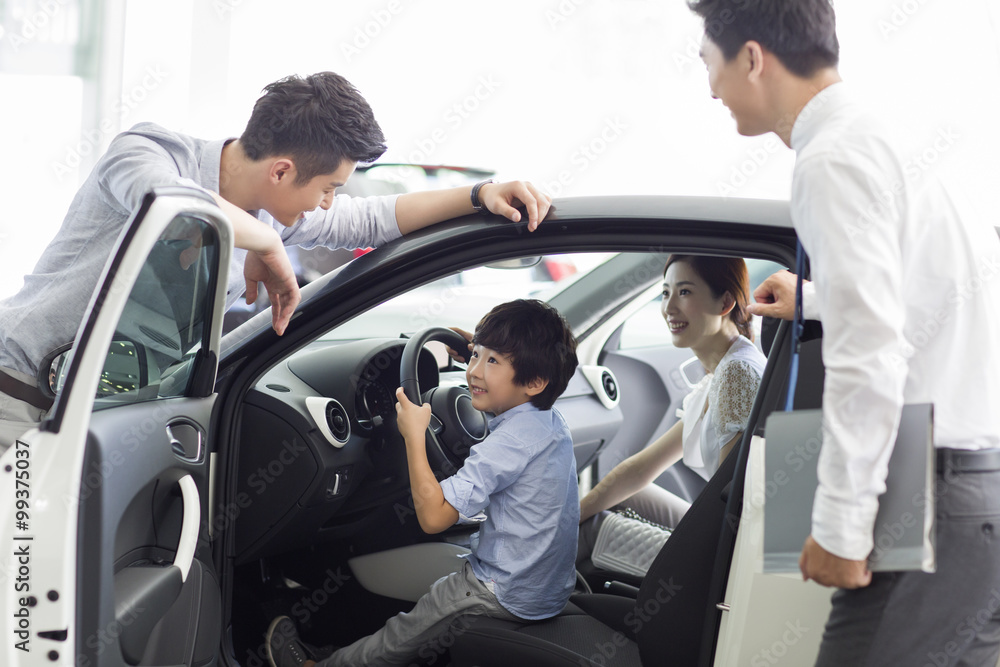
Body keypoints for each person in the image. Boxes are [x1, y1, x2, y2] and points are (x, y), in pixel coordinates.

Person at [0, 71, 551, 453]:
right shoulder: (148, 151)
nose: (330, 203)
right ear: (282, 170)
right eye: (330, 187)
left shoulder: (271, 212)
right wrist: (265, 241)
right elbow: (166, 207)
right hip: (16, 398)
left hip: (95, 418)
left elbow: (375, 219)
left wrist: (478, 195)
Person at [687, 1, 1000, 664]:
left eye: (708, 62)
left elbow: (870, 355)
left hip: (931, 493)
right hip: (978, 486)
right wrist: (815, 297)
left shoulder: (831, 159)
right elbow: (926, 295)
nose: (709, 87)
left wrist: (839, 527)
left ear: (751, 57)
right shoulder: (889, 134)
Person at [265, 298, 580, 667]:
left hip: (505, 591)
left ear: (534, 381)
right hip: (546, 587)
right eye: (475, 355)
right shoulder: (547, 420)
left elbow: (433, 518)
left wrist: (414, 435)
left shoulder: (507, 443)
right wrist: (481, 351)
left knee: (412, 625)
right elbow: (509, 385)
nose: (474, 372)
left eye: (492, 361)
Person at [577, 255, 765, 560]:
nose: (669, 308)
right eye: (666, 293)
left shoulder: (737, 374)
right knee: (625, 493)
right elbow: (637, 470)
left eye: (685, 292)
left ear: (725, 302)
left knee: (593, 529)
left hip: (729, 555)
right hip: (718, 528)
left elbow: (727, 504)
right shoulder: (724, 369)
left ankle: (509, 595)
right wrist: (568, 518)